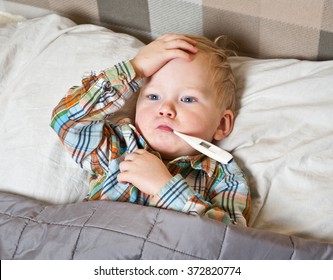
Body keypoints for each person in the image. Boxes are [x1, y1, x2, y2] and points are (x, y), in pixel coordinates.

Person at [51, 33, 251, 226]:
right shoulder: (117, 148)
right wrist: (135, 68)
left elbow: (230, 241)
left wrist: (165, 188)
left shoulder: (225, 178)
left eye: (188, 99)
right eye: (154, 97)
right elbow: (66, 120)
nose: (165, 109)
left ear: (222, 124)